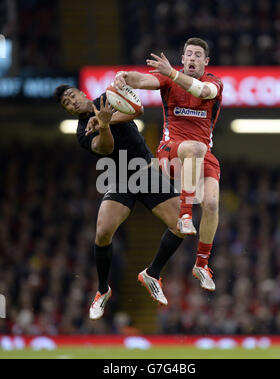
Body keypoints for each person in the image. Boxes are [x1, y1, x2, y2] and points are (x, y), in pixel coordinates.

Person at [54, 85, 185, 320]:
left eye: (72, 95)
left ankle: (152, 273)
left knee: (182, 225)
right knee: (103, 232)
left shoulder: (107, 99)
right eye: (66, 103)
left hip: (145, 170)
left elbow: (138, 110)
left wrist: (106, 119)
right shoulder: (83, 131)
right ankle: (103, 290)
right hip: (119, 177)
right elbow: (106, 147)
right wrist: (102, 125)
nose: (71, 102)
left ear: (83, 94)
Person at [113, 37, 223, 291]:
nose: (193, 58)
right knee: (194, 147)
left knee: (212, 203)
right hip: (170, 152)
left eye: (198, 55)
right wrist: (123, 76)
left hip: (201, 156)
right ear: (183, 58)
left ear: (206, 62)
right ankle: (185, 214)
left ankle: (201, 264)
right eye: (189, 54)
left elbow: (203, 92)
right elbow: (142, 80)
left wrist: (172, 72)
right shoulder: (168, 79)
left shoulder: (213, 82)